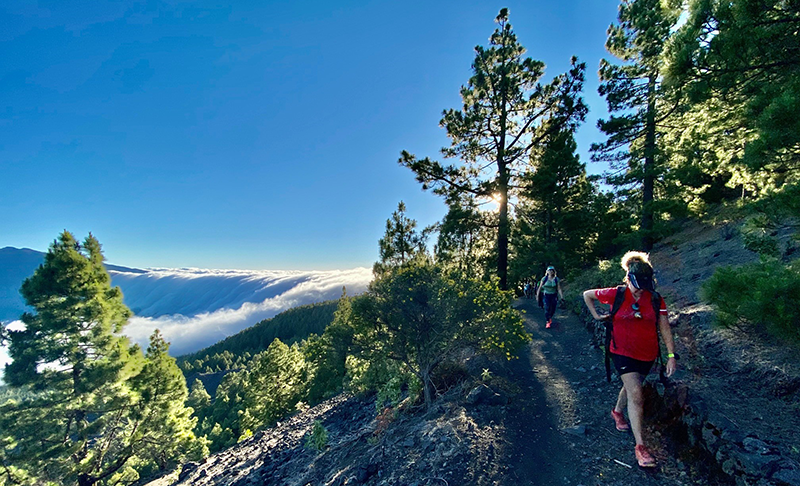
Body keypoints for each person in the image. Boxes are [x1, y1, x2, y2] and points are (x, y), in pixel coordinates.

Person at [582, 251, 677, 468]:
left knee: (631, 387)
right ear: (628, 279)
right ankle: (641, 447)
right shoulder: (616, 294)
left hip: (647, 354)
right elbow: (587, 294)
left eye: (645, 286)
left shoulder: (655, 299)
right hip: (621, 352)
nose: (641, 290)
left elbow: (664, 327)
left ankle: (617, 412)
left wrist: (671, 355)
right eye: (637, 286)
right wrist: (596, 315)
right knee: (636, 394)